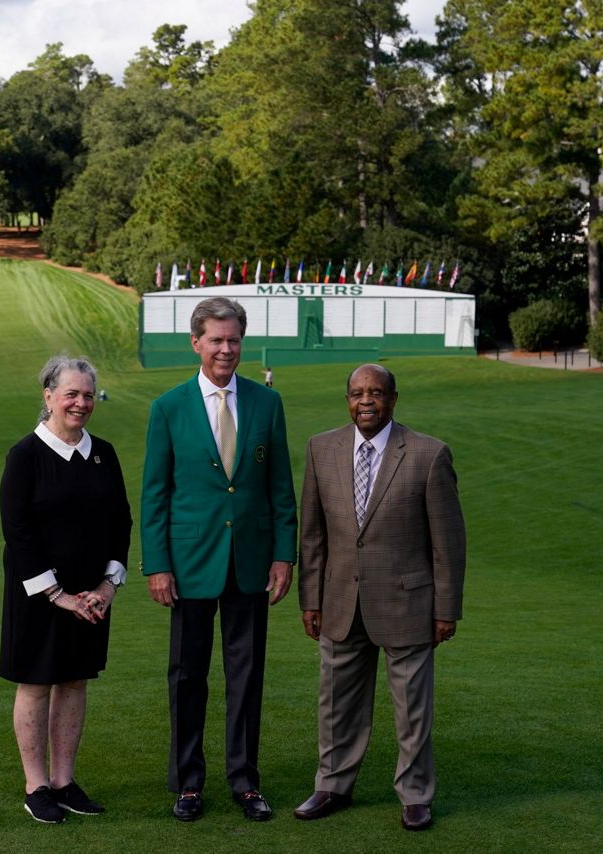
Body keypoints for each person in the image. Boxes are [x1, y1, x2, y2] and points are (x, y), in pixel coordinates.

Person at [141, 297, 298, 822]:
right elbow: (154, 494)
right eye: (216, 340)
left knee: (246, 677)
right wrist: (156, 564)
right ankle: (188, 783)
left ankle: (244, 780)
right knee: (187, 677)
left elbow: (280, 489)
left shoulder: (266, 403)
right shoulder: (168, 407)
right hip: (188, 566)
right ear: (196, 343)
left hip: (251, 563)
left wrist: (283, 556)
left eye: (233, 340)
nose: (226, 349)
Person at [293, 364, 466, 831]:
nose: (365, 401)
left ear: (393, 398)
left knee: (412, 708)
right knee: (335, 704)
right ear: (346, 400)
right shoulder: (320, 449)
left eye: (375, 392)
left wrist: (446, 609)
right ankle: (331, 785)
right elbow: (312, 535)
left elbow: (447, 542)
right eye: (356, 393)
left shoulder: (429, 455)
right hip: (339, 603)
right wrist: (311, 598)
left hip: (409, 604)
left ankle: (415, 795)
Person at [0, 355, 132, 824]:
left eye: (88, 395)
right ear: (49, 396)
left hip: (91, 597)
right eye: (71, 394)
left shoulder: (104, 454)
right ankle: (37, 786)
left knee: (74, 681)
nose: (81, 403)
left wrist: (107, 586)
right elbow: (18, 534)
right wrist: (59, 596)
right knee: (36, 684)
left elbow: (121, 522)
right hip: (40, 598)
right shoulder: (25, 456)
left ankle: (64, 781)